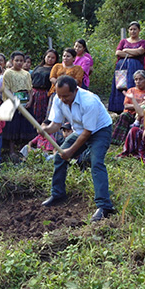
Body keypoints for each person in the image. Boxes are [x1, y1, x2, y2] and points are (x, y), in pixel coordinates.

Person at [41, 75, 116, 223]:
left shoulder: (89, 101)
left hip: (100, 130)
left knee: (96, 163)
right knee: (58, 157)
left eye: (66, 96)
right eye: (60, 95)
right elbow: (56, 124)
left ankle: (104, 206)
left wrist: (70, 151)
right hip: (80, 131)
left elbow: (88, 133)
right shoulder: (58, 98)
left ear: (75, 91)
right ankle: (58, 194)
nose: (62, 99)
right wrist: (45, 129)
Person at [108, 22, 145, 113]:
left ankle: (134, 108)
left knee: (134, 84)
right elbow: (118, 52)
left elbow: (140, 52)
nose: (133, 31)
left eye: (135, 29)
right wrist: (132, 54)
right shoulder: (123, 41)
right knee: (121, 86)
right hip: (122, 67)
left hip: (136, 67)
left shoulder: (143, 42)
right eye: (131, 29)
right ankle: (119, 108)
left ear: (139, 30)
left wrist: (126, 51)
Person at [2, 51, 35, 158]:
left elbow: (30, 89)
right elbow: (6, 89)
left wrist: (30, 101)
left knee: (24, 126)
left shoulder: (26, 74)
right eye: (17, 60)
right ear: (12, 61)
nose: (19, 63)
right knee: (13, 127)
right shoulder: (8, 73)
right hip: (12, 103)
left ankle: (22, 150)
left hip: (25, 103)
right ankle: (11, 151)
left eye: (21, 61)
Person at [110, 70, 145, 145]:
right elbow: (126, 105)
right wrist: (140, 105)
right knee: (124, 115)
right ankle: (118, 141)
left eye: (140, 79)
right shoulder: (131, 90)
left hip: (142, 115)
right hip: (130, 114)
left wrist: (138, 107)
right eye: (136, 79)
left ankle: (140, 143)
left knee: (144, 119)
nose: (138, 81)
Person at [31, 49, 58, 125]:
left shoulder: (54, 69)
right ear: (45, 57)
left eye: (53, 58)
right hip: (33, 92)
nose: (50, 59)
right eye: (48, 57)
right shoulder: (38, 67)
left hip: (45, 93)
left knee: (43, 113)